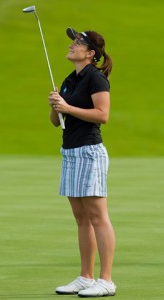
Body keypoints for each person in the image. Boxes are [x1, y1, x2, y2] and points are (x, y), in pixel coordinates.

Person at [48, 27, 116, 297]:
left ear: (90, 54)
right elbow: (57, 123)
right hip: (71, 152)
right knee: (81, 218)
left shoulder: (96, 79)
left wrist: (68, 107)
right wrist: (55, 105)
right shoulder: (69, 79)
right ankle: (86, 277)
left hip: (90, 151)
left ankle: (106, 280)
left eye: (78, 43)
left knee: (98, 217)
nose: (71, 45)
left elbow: (103, 115)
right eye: (73, 41)